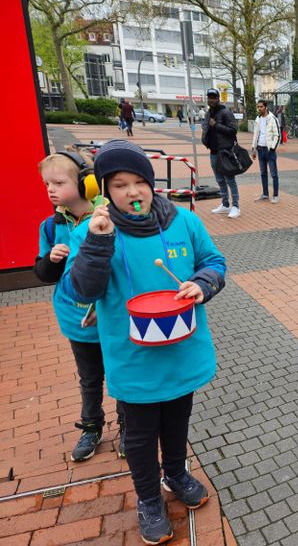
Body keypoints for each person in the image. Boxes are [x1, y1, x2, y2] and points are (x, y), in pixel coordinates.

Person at [61, 140, 226, 545]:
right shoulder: (90, 231)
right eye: (120, 185)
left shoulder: (184, 222)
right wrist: (98, 243)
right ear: (103, 190)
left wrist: (203, 284)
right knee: (138, 434)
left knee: (178, 419)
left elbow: (214, 262)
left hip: (182, 350)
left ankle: (176, 474)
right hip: (132, 356)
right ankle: (149, 499)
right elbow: (81, 290)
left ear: (152, 184)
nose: (133, 192)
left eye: (140, 182)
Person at [34, 150, 125, 462]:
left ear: (88, 184)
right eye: (47, 183)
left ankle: (127, 426)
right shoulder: (51, 226)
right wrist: (50, 261)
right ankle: (91, 426)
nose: (51, 189)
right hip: (74, 320)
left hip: (111, 318)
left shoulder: (108, 219)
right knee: (89, 378)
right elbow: (43, 274)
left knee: (119, 373)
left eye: (59, 182)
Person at [201, 88, 240, 218]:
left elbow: (233, 130)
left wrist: (216, 125)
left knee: (230, 180)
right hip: (213, 152)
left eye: (213, 97)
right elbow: (206, 128)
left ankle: (236, 206)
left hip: (225, 152)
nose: (211, 100)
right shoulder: (208, 114)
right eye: (209, 98)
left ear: (218, 99)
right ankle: (225, 204)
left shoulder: (225, 113)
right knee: (219, 180)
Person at [251, 99, 280, 203]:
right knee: (263, 173)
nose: (259, 108)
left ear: (265, 107)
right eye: (258, 107)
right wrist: (253, 148)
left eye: (261, 107)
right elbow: (255, 134)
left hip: (269, 150)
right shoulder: (258, 119)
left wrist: (272, 148)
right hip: (260, 149)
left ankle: (275, 195)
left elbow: (277, 135)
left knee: (273, 174)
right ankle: (265, 194)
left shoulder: (272, 118)